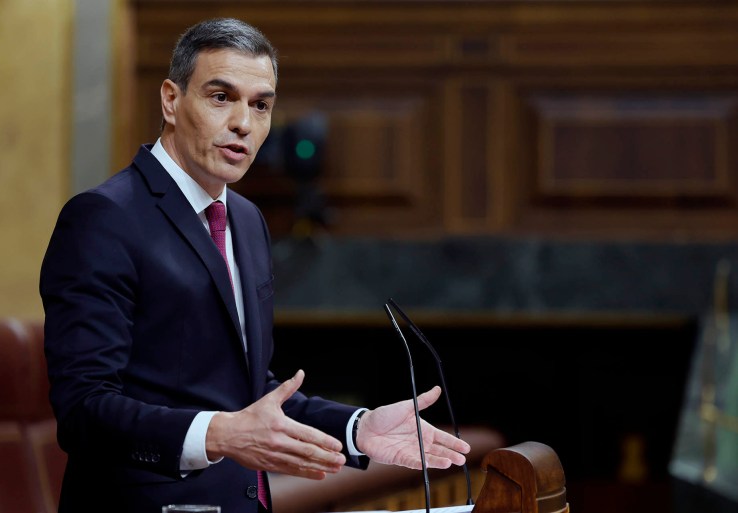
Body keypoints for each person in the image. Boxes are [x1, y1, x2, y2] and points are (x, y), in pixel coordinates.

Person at [40, 17, 470, 513]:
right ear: (171, 101)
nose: (244, 122)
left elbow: (248, 392)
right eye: (221, 97)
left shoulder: (246, 219)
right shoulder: (103, 218)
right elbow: (84, 411)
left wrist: (357, 428)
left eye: (260, 104)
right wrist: (221, 435)